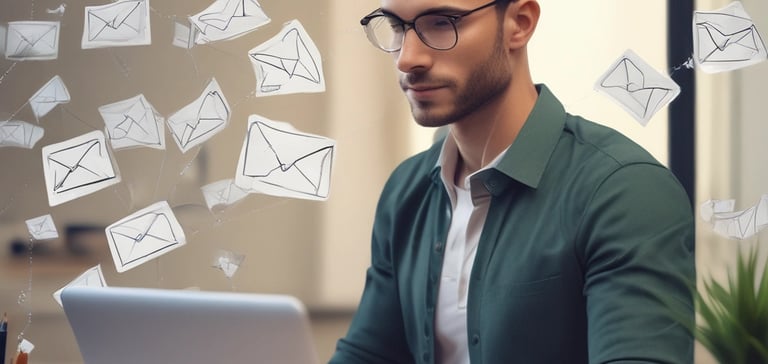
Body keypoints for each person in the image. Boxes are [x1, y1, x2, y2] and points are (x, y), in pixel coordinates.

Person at [330, 0, 695, 363]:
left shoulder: (624, 191)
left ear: (519, 23)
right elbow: (369, 353)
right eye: (396, 26)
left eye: (442, 22)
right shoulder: (407, 189)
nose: (407, 58)